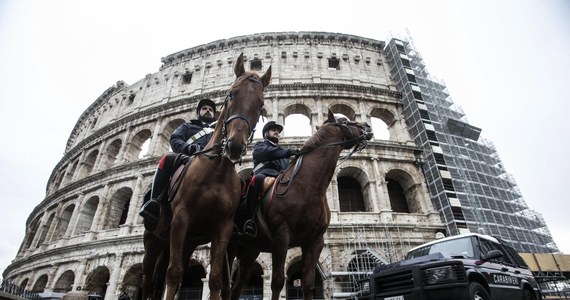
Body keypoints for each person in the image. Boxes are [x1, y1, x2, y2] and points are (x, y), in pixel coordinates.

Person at [139, 98, 217, 231]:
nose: (208, 111)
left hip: (213, 161)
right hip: (188, 157)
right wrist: (188, 148)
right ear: (198, 113)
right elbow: (175, 139)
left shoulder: (218, 130)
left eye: (210, 109)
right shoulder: (187, 126)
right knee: (167, 159)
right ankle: (154, 202)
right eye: (204, 109)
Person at [242, 121, 299, 237]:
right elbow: (266, 153)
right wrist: (288, 152)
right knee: (257, 179)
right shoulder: (260, 146)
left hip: (280, 179)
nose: (277, 132)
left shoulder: (283, 154)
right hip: (265, 175)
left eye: (278, 131)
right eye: (274, 130)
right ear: (266, 133)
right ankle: (250, 219)